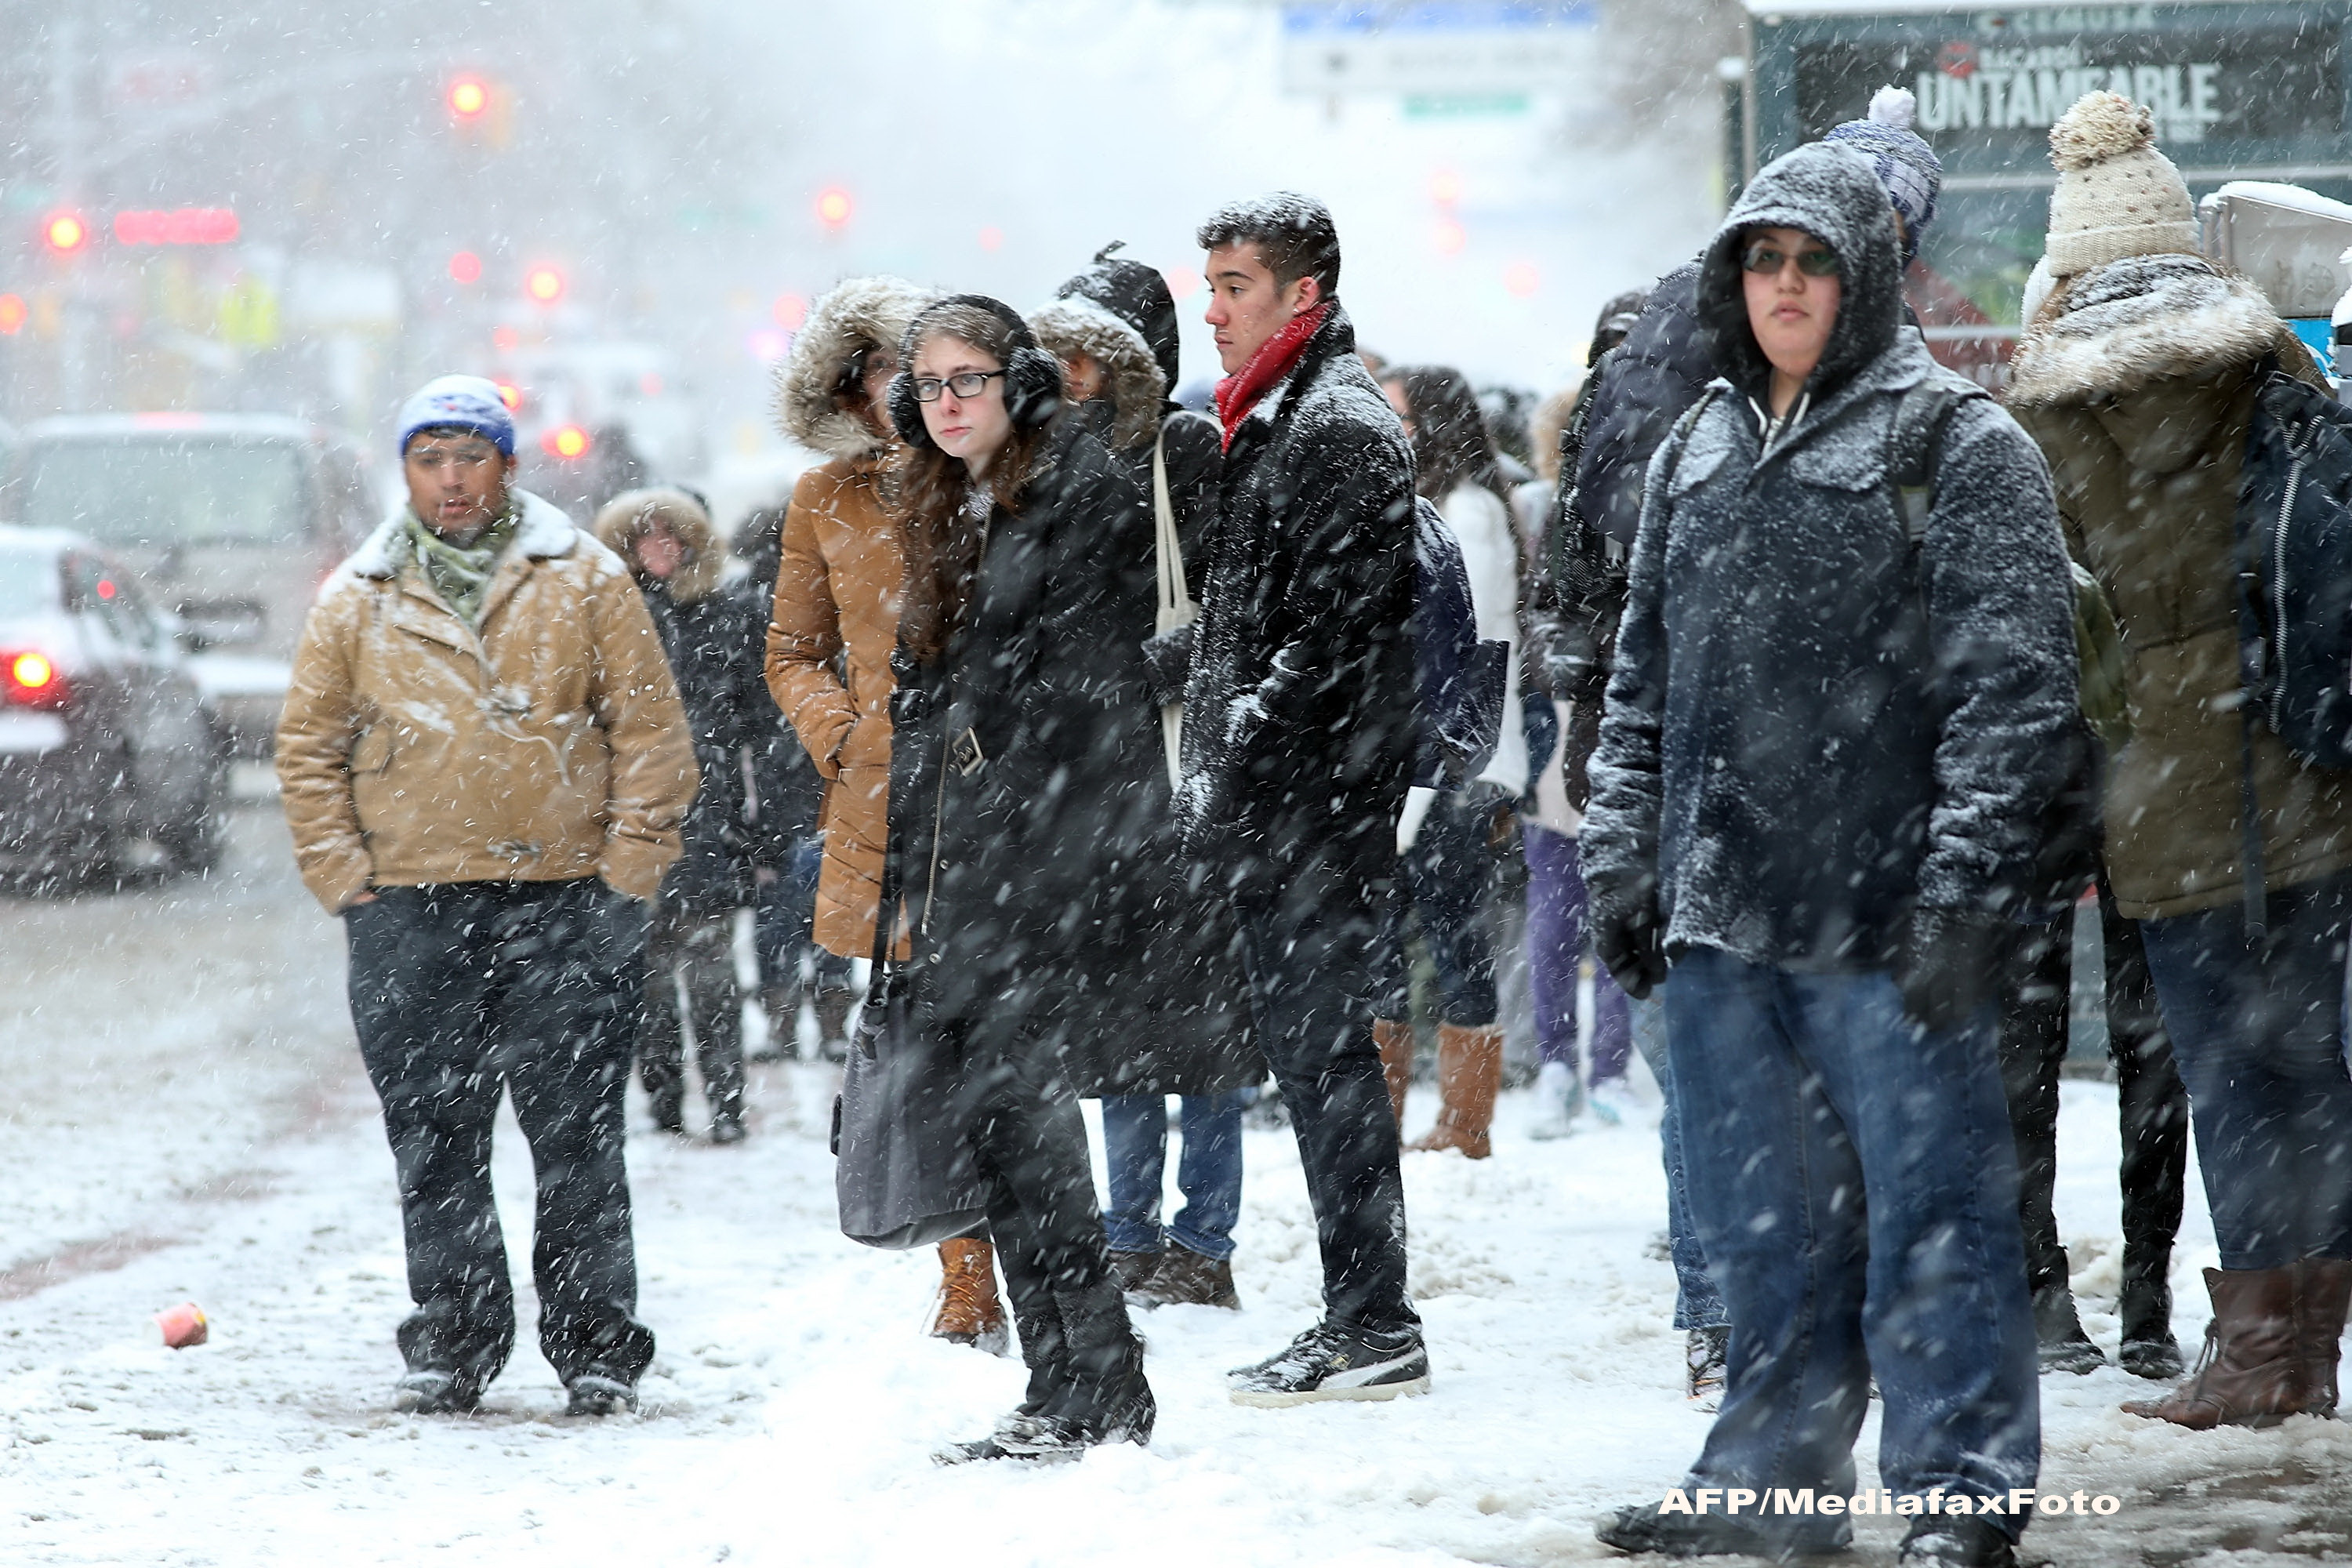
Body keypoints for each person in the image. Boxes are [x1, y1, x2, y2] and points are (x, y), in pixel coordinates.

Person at [1582, 143, 2074, 1567]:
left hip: (1892, 930)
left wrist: (1968, 896)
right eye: (1764, 261)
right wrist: (1627, 858)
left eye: (1813, 263)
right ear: (1734, 283)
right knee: (1764, 1233)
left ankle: (1959, 1498)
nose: (1787, 287)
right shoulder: (1700, 446)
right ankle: (1770, 1484)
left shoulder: (1959, 444)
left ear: (1863, 282)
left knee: (1937, 1225)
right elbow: (1639, 685)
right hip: (1727, 921)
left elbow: (2016, 694)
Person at [2005, 90, 2352, 1428]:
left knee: (2227, 1071)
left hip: (2169, 796)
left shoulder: (2048, 425)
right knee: (2313, 1063)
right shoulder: (2272, 368)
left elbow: (2050, 622)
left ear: (2071, 262)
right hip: (2313, 764)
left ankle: (2261, 1358)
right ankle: (2304, 1347)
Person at [276, 374, 695, 1417]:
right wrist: (347, 881)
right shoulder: (360, 596)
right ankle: (452, 1344)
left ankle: (598, 1346)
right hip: (408, 910)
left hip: (564, 903)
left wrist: (628, 874)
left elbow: (652, 735)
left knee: (579, 1140)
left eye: (471, 456)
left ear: (507, 464)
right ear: (406, 471)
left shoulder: (586, 580)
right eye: (430, 458)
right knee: (434, 1138)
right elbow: (307, 750)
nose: (451, 479)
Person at [884, 296, 1156, 1462]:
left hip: (1050, 859)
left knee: (1032, 1128)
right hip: (971, 866)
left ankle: (1101, 1384)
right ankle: (1065, 1387)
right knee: (1000, 1131)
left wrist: (990, 750)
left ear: (1018, 383)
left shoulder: (1076, 491)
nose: (949, 401)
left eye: (968, 378)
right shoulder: (954, 498)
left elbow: (1094, 695)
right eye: (931, 384)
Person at [1178, 194, 1427, 1405]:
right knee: (1316, 1064)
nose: (1212, 309)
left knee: (1327, 1067)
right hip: (1291, 807)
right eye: (1211, 283)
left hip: (1314, 814)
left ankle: (1374, 1321)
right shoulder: (1276, 417)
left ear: (1302, 295)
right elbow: (1261, 629)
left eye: (1233, 284)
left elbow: (1328, 645)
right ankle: (1364, 1313)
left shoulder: (1332, 426)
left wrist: (1234, 755)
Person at [764, 278, 1012, 1353]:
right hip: (885, 808)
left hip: (998, 800)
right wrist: (846, 732)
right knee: (923, 1041)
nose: (886, 395)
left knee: (1009, 1041)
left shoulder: (995, 479)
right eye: (866, 376)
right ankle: (967, 1274)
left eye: (899, 369)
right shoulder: (825, 498)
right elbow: (790, 651)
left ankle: (1042, 1243)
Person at [1030, 245, 1263, 1311]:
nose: (1071, 371)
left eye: (1090, 352)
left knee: (1207, 1032)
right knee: (1117, 1030)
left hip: (1180, 771)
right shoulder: (1035, 461)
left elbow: (1232, 607)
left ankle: (1201, 1244)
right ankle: (1126, 1235)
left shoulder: (1183, 446)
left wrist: (1134, 674)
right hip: (1095, 788)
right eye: (1060, 352)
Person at [1372, 365, 1523, 1160]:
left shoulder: (1463, 512)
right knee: (1405, 936)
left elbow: (1467, 654)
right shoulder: (1433, 508)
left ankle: (1465, 1123)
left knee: (1451, 933)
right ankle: (1392, 1116)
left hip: (1457, 762)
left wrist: (1435, 777)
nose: (1390, 428)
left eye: (1399, 416)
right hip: (1432, 758)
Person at [593, 488, 764, 1143]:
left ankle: (726, 1105)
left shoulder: (727, 617)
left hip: (710, 822)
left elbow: (760, 725)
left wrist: (764, 823)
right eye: (647, 537)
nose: (661, 549)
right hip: (631, 824)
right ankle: (664, 1101)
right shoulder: (610, 620)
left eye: (673, 537)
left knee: (715, 978)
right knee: (648, 984)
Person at [729, 502, 839, 1062]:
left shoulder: (745, 604)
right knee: (828, 907)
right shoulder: (827, 593)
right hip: (820, 769)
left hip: (775, 779)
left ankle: (783, 1027)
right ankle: (831, 1023)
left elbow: (742, 713)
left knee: (780, 917)